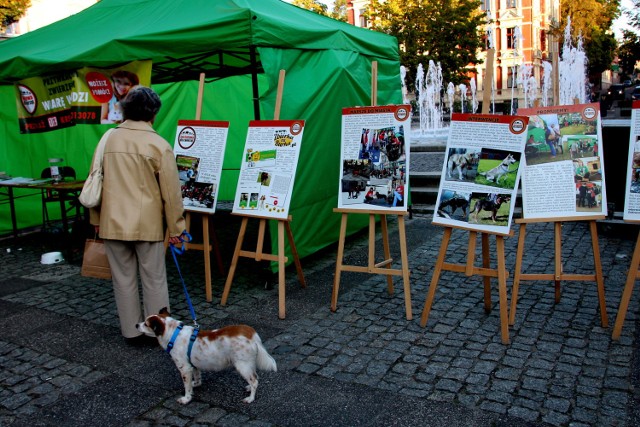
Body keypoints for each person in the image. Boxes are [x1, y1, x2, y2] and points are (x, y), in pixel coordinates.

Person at [89, 86, 187, 345]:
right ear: (153, 113)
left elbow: (94, 181)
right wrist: (177, 229)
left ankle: (131, 332)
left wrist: (96, 221)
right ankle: (159, 333)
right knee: (154, 279)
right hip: (148, 224)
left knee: (123, 279)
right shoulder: (158, 145)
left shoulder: (107, 140)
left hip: (111, 222)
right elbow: (171, 195)